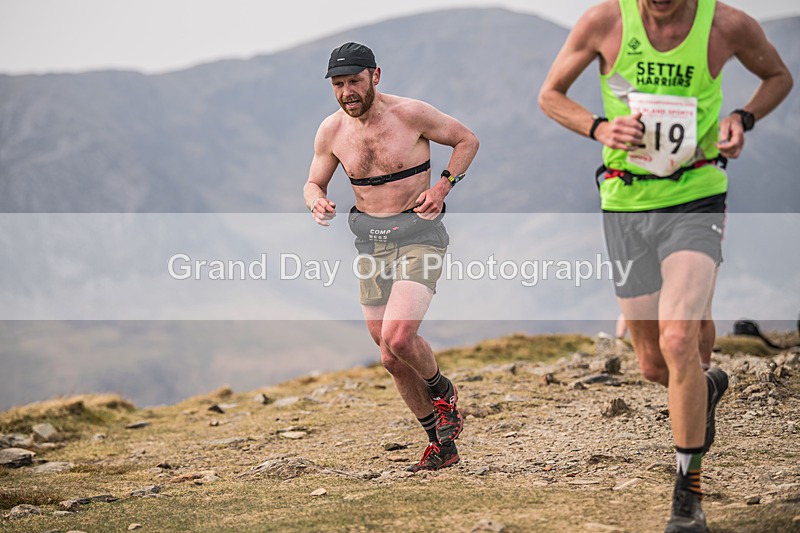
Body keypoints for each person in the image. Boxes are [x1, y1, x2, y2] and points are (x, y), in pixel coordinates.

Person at [538, 1, 792, 531]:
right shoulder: (605, 21)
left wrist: (741, 118)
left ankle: (687, 493)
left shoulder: (726, 25)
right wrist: (598, 128)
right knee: (654, 365)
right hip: (626, 203)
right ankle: (706, 384)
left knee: (679, 341)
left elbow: (777, 77)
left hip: (697, 197)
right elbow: (550, 95)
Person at [304, 42, 479, 472]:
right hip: (371, 242)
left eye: (354, 82)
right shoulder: (331, 131)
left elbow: (466, 140)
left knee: (400, 338)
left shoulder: (410, 114)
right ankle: (440, 444)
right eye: (339, 85)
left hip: (420, 235)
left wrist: (441, 188)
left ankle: (443, 392)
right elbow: (313, 181)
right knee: (388, 357)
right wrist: (316, 200)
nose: (347, 92)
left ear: (375, 77)